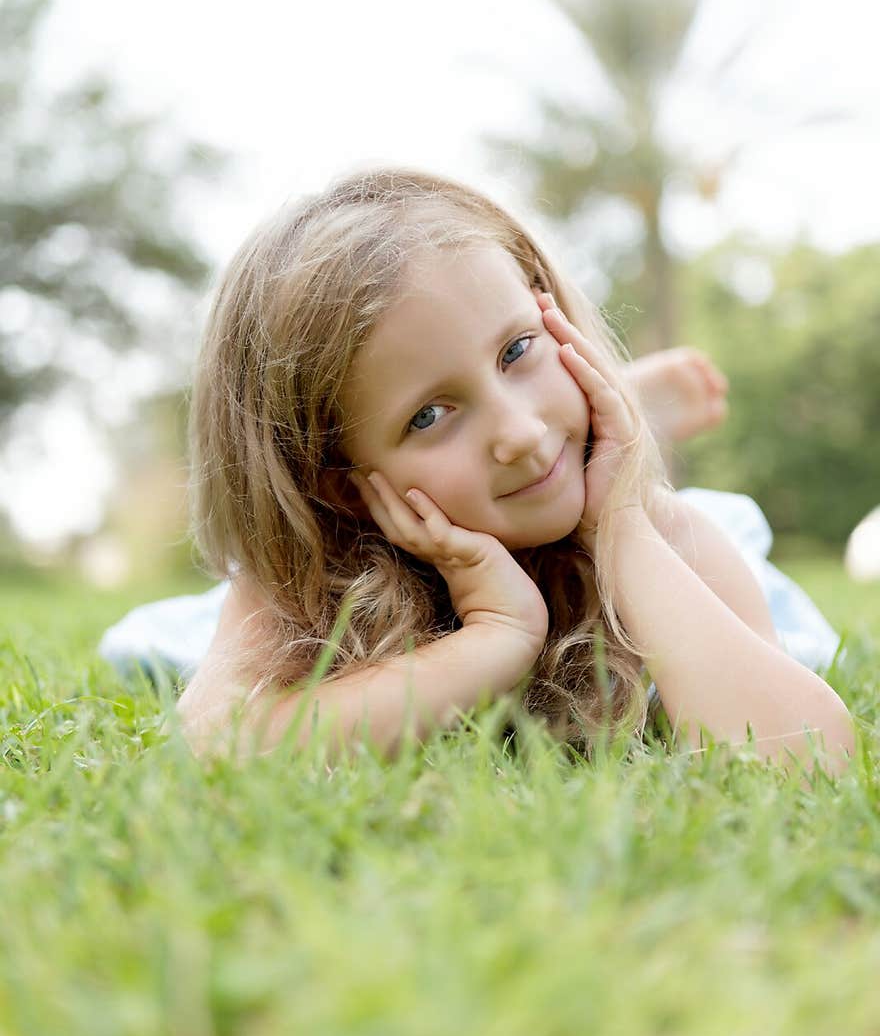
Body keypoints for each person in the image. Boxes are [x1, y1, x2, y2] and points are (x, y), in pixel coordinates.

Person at [98, 167, 853, 776]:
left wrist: (617, 523)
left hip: (655, 530)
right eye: (430, 414)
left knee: (755, 587)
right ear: (341, 483)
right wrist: (495, 637)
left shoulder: (667, 533)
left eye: (519, 350)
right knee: (160, 645)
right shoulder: (302, 581)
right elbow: (222, 748)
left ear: (549, 308)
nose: (521, 436)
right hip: (378, 560)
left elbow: (808, 759)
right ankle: (605, 389)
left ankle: (623, 404)